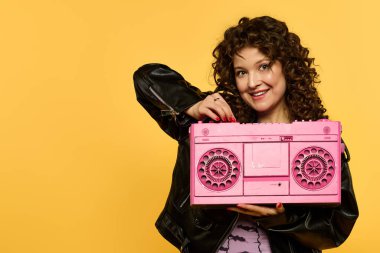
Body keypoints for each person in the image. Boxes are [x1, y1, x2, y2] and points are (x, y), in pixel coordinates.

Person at [133, 16, 358, 253]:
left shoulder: (318, 139)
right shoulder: (213, 122)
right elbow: (145, 78)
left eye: (264, 66)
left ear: (287, 67)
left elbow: (338, 225)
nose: (253, 82)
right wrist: (191, 105)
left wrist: (284, 220)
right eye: (241, 72)